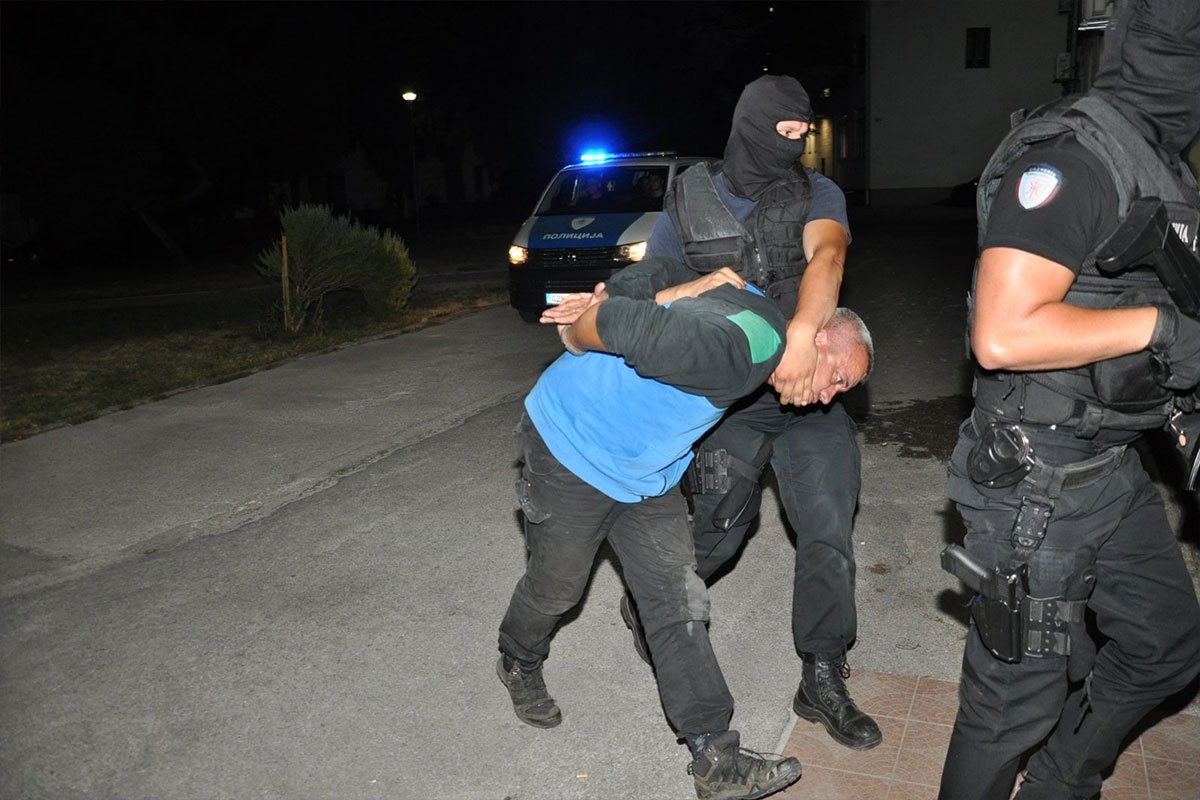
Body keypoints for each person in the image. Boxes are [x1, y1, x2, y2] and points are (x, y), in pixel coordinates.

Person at [563, 73, 882, 751]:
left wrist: (802, 339)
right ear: (750, 127)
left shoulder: (816, 193)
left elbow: (828, 256)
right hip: (733, 397)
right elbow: (652, 285)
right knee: (721, 527)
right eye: (782, 131)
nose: (792, 145)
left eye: (802, 133)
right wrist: (608, 305)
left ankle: (822, 674)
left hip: (809, 387)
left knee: (827, 527)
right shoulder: (690, 199)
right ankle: (653, 604)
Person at [937, 2, 1200, 798]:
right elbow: (1002, 333)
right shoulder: (1074, 158)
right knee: (1007, 709)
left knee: (1167, 644)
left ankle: (1059, 782)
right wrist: (1161, 328)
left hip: (1112, 462)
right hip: (1035, 479)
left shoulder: (1162, 165)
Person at [496, 266, 873, 800]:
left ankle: (715, 757)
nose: (831, 396)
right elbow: (622, 325)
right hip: (572, 447)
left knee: (678, 601)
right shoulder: (737, 354)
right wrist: (578, 330)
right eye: (837, 377)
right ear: (814, 337)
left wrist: (637, 289)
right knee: (558, 586)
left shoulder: (760, 309)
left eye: (842, 390)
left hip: (647, 473)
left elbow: (673, 273)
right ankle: (519, 657)